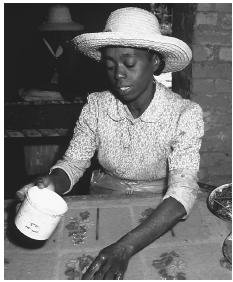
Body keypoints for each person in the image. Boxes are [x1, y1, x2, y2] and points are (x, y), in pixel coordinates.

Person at [17, 7, 204, 280]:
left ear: (154, 61)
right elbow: (73, 162)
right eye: (109, 65)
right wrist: (52, 184)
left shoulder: (184, 114)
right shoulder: (96, 106)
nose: (118, 75)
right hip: (104, 196)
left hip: (159, 209)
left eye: (129, 63)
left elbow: (183, 191)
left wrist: (126, 247)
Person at [18, 4, 87, 101]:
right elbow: (31, 80)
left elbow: (76, 80)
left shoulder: (70, 48)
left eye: (66, 31)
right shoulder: (32, 48)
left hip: (63, 94)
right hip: (36, 94)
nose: (65, 34)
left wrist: (69, 52)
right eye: (61, 31)